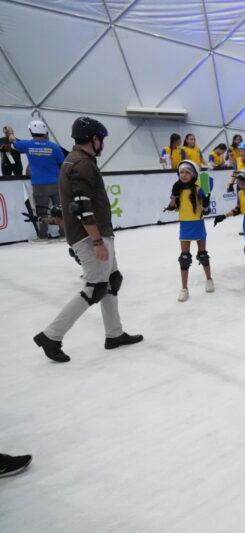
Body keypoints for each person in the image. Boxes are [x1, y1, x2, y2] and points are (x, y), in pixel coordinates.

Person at [34, 116, 143, 363]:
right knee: (95, 288)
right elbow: (81, 207)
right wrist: (97, 242)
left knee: (112, 280)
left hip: (97, 233)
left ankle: (114, 334)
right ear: (93, 139)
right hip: (90, 236)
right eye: (101, 139)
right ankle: (51, 335)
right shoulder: (81, 164)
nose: (103, 144)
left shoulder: (79, 160)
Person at [164, 160, 214, 302]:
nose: (184, 175)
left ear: (193, 174)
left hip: (198, 223)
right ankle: (184, 288)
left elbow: (206, 209)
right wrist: (174, 195)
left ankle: (209, 279)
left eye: (187, 172)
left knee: (203, 255)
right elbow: (171, 207)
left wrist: (206, 200)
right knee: (184, 258)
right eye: (181, 172)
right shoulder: (177, 188)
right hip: (185, 225)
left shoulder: (199, 187)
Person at [11, 120, 66, 242]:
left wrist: (11, 135)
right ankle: (64, 234)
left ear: (31, 132)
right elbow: (62, 162)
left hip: (39, 184)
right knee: (60, 209)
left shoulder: (27, 144)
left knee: (42, 210)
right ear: (45, 131)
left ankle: (43, 236)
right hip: (56, 182)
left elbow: (13, 145)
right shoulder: (54, 146)